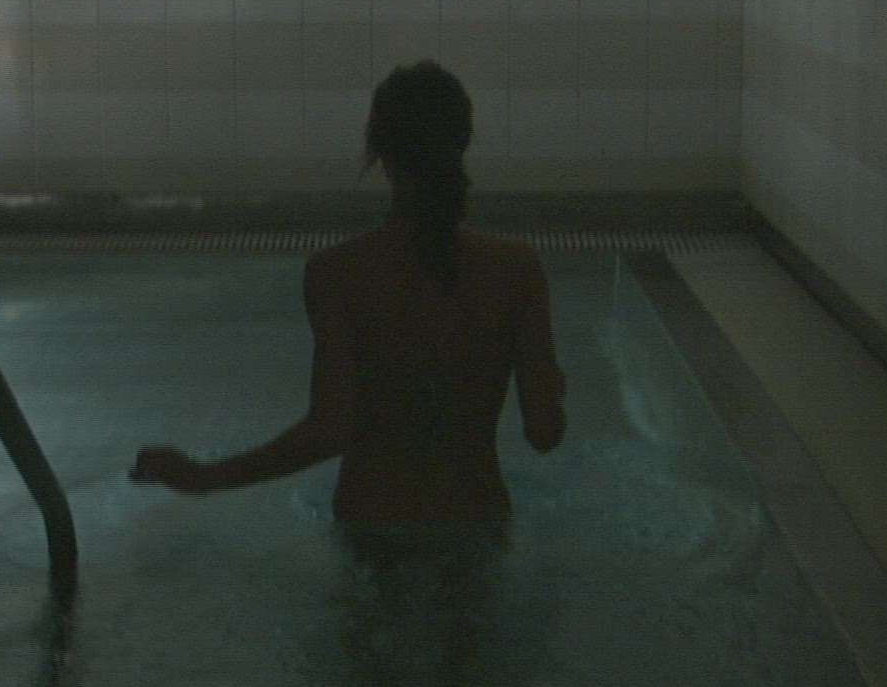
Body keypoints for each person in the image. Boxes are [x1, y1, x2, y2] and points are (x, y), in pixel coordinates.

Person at [130, 60, 567, 521]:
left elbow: (330, 429)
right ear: (464, 140)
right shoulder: (516, 269)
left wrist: (205, 477)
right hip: (475, 515)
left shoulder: (338, 273)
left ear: (378, 151)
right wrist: (551, 384)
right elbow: (545, 433)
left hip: (374, 518)